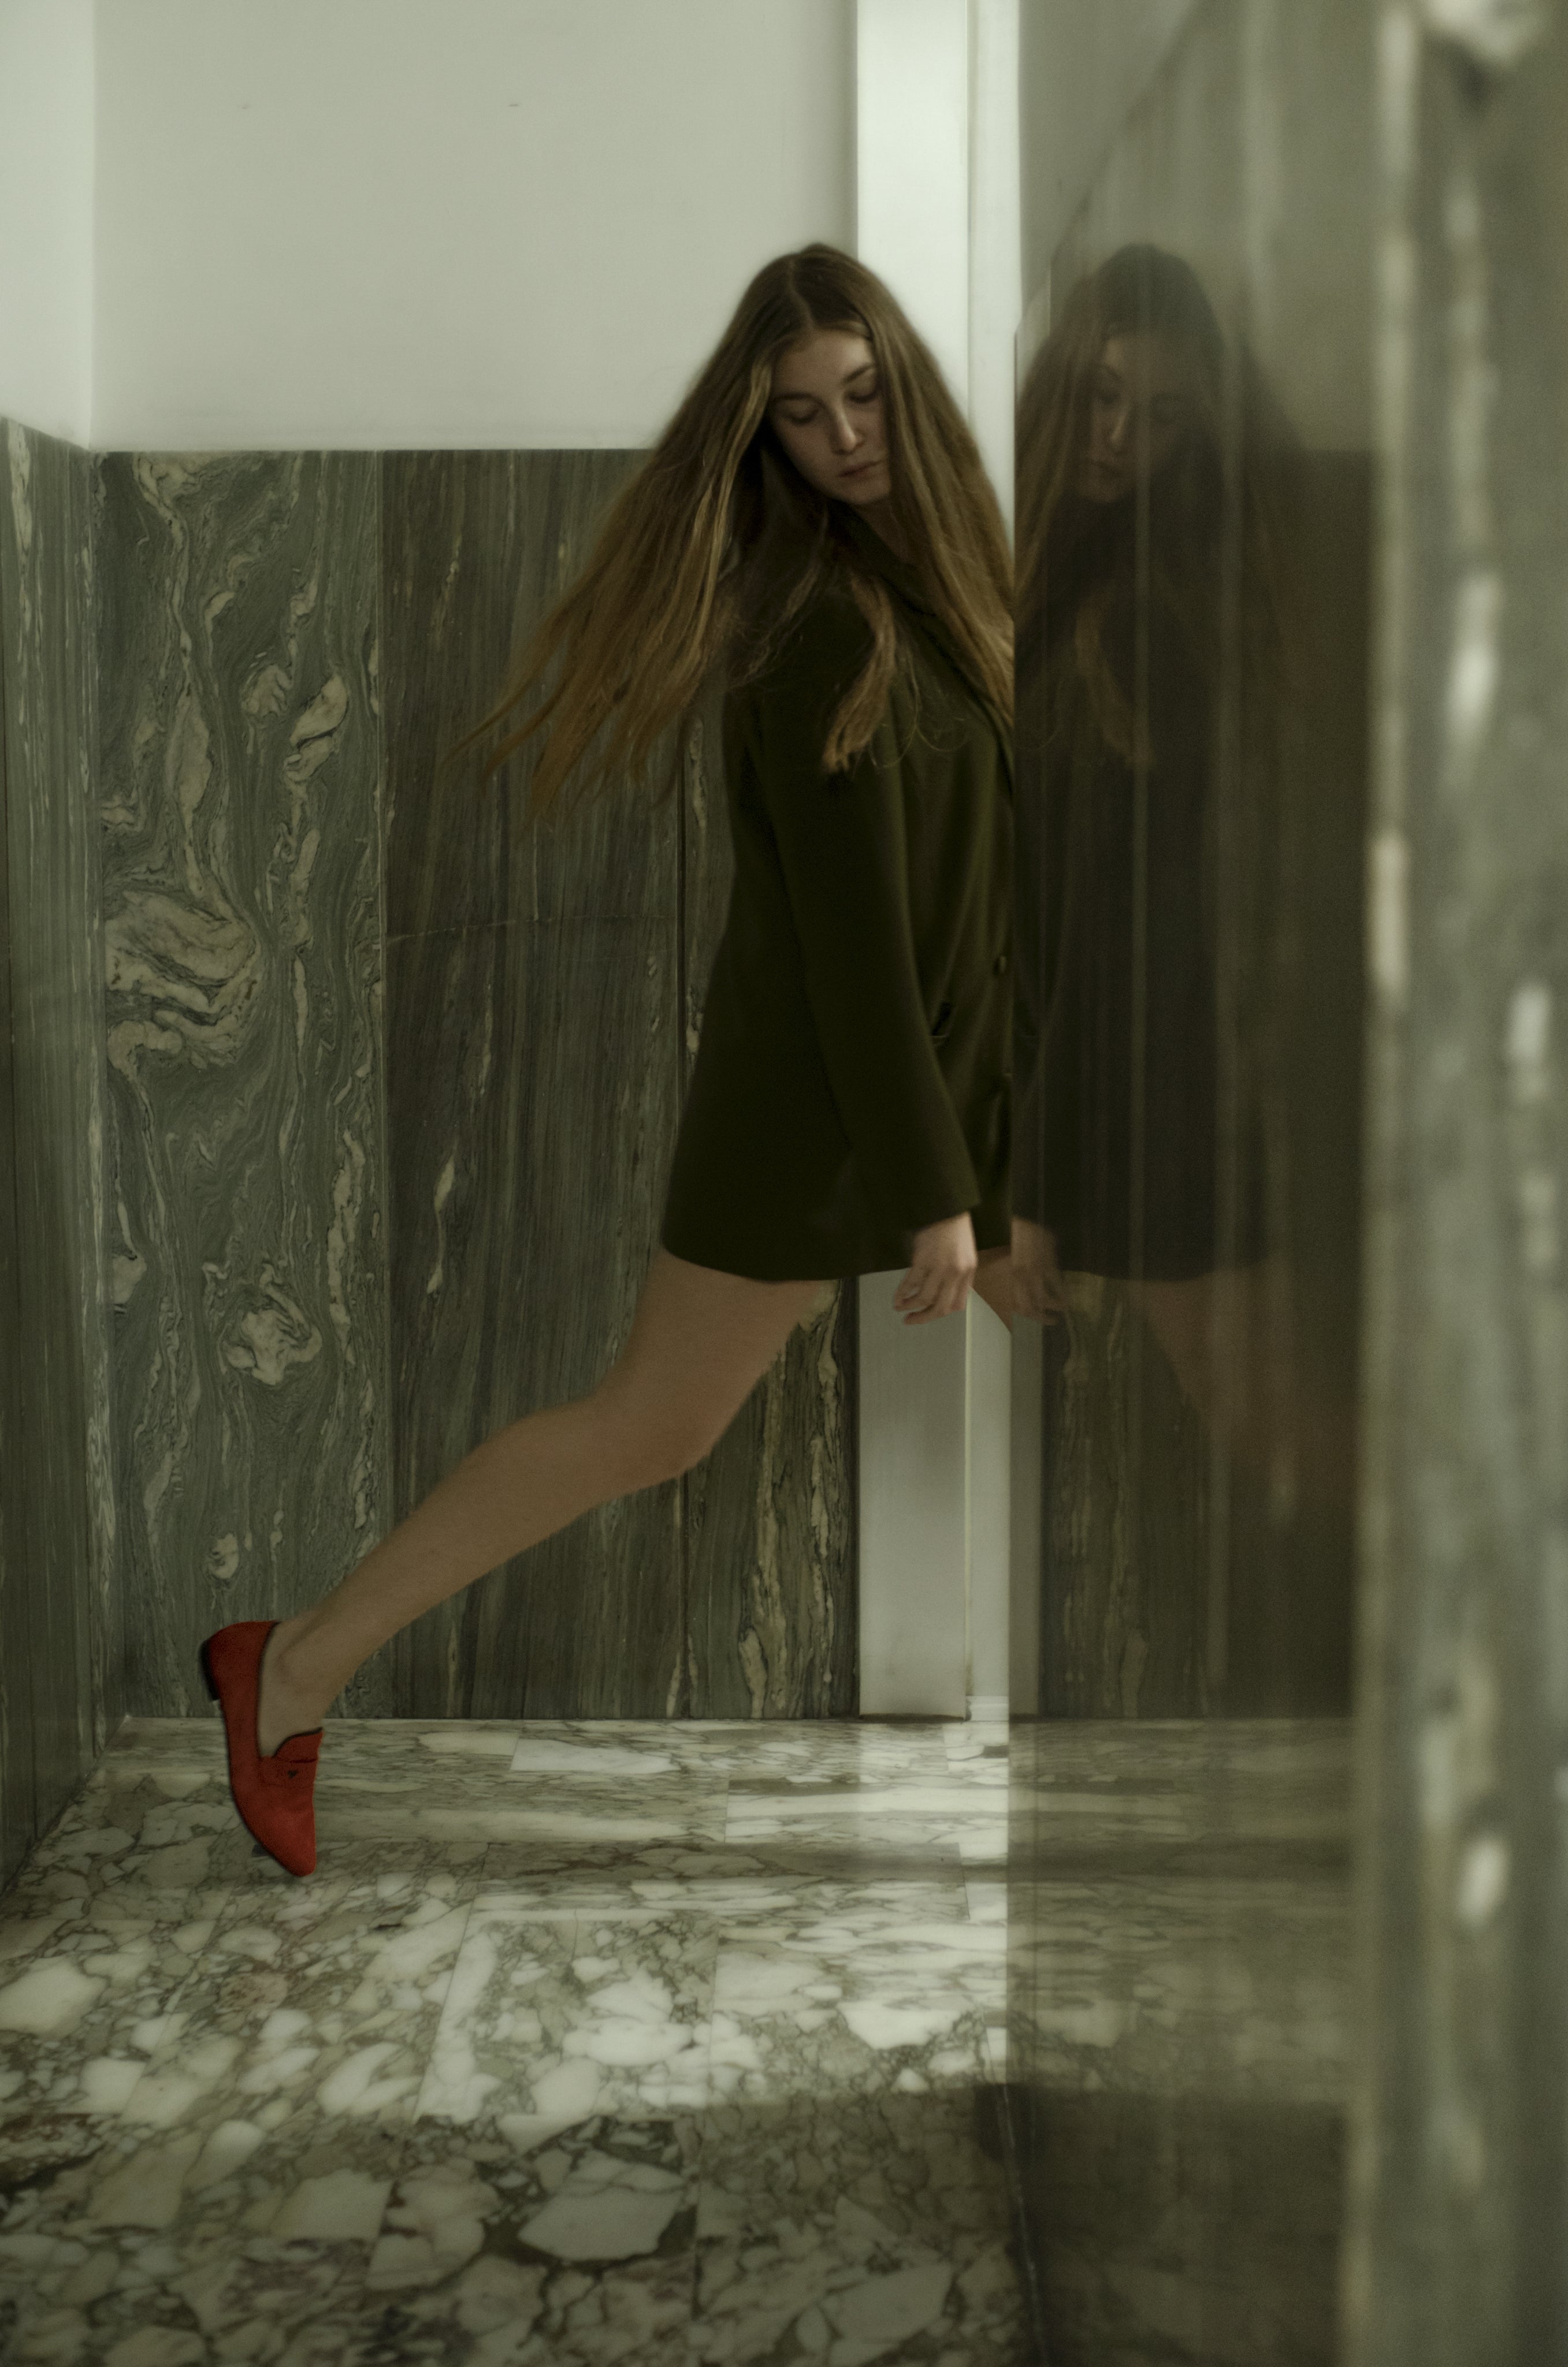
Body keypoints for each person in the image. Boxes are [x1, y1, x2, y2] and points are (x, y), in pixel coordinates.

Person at [201, 244, 1016, 1876]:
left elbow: (976, 909)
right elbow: (856, 956)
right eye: (803, 416)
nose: (846, 438)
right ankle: (291, 1664)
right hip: (813, 1119)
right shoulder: (818, 631)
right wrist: (940, 1188)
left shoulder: (947, 603)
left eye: (864, 396)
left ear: (910, 392)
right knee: (648, 1426)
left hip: (925, 1104)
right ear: (765, 439)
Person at [1010, 244, 1291, 1430]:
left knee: (1251, 1401)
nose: (1121, 436)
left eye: (1162, 415)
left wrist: (1027, 1182)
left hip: (1160, 1081)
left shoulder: (1133, 622)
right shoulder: (1056, 590)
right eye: (1104, 394)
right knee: (1248, 1400)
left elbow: (1110, 923)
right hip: (1128, 1071)